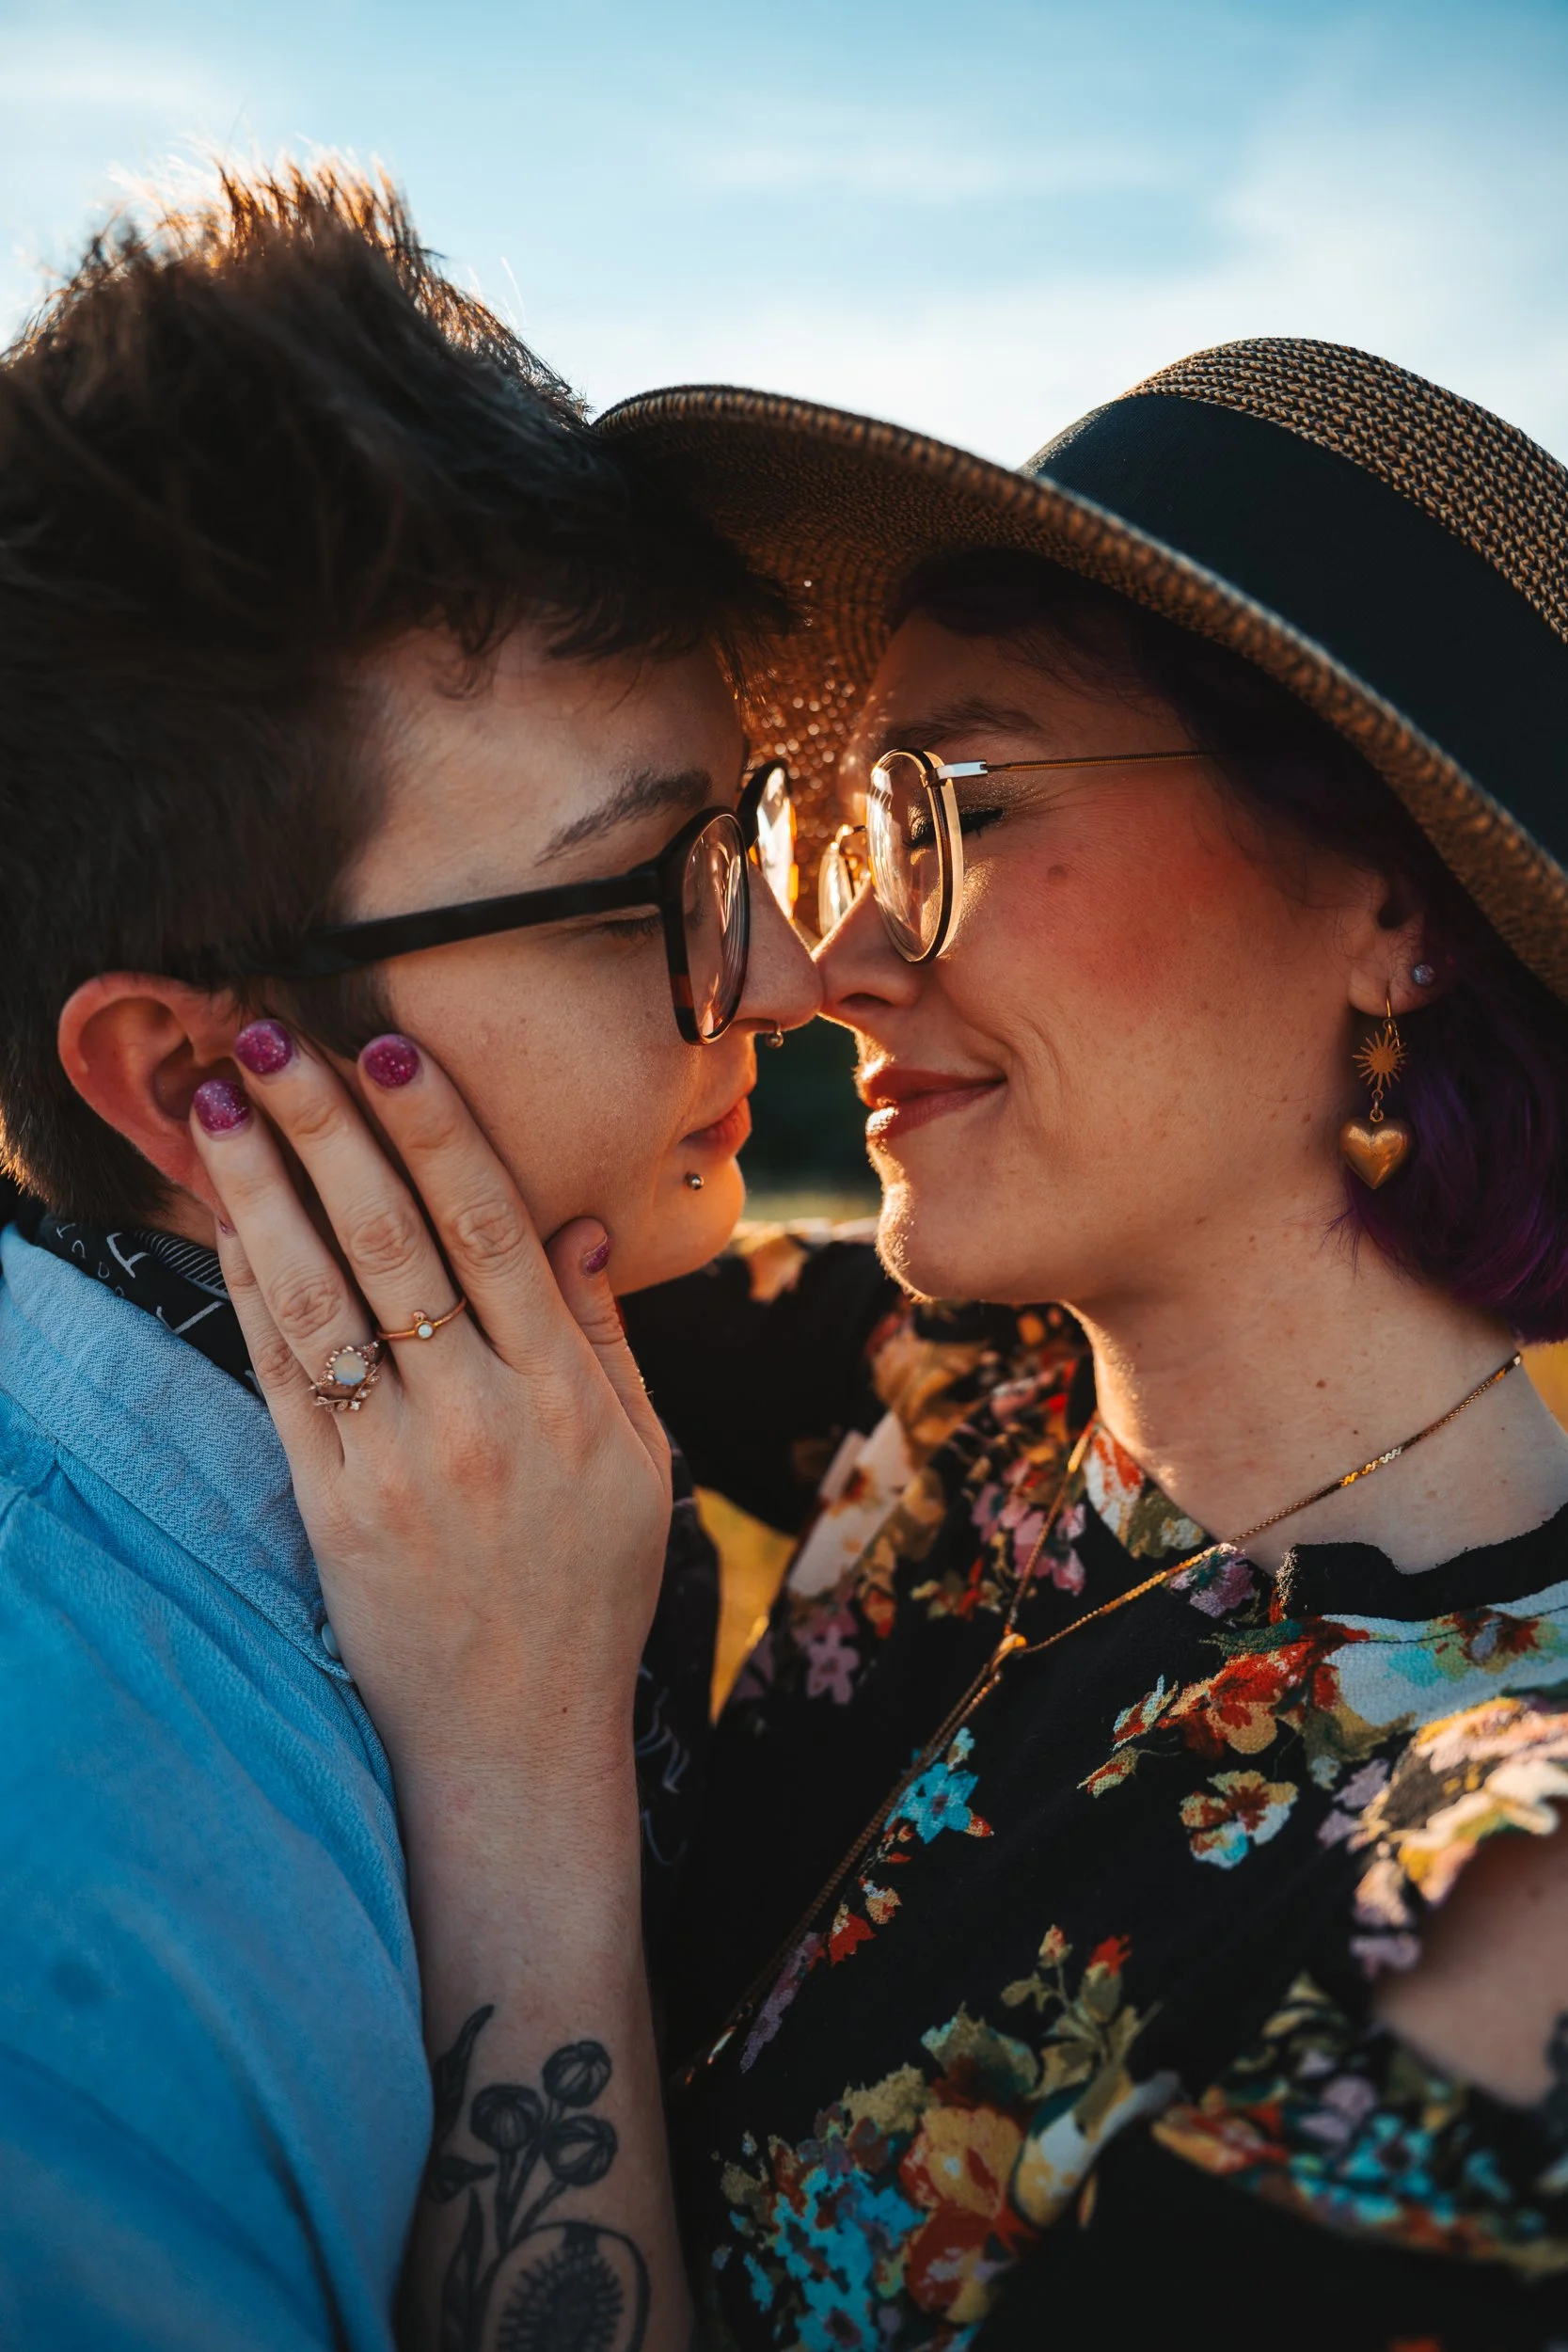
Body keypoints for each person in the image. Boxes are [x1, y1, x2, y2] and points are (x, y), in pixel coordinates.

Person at [221, 342, 1568, 2352]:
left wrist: (516, 1767)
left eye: (955, 805)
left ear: (1388, 901)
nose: (828, 956)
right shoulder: (962, 1400)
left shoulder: (1487, 1902)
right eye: (839, 820)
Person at [0, 162, 817, 2348]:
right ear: (195, 1074)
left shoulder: (526, 1411)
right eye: (641, 885)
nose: (784, 963)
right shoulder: (68, 1874)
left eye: (739, 844)